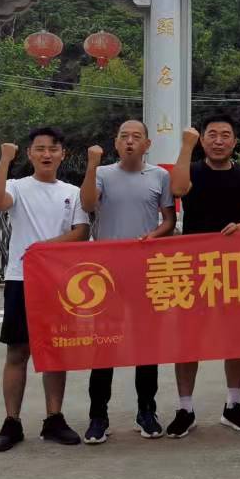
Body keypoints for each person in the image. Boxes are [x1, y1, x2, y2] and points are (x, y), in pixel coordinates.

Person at [0, 128, 90, 452]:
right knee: (17, 351)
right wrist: (5, 159)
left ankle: (54, 418)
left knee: (55, 350)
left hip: (59, 281)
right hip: (21, 279)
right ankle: (11, 422)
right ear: (29, 153)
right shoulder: (17, 187)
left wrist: (45, 248)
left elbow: (81, 232)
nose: (46, 154)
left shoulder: (72, 192)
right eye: (40, 149)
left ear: (62, 154)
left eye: (53, 149)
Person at [79, 119, 176, 443]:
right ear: (116, 143)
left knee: (147, 346)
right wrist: (91, 164)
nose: (130, 141)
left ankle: (146, 411)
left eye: (137, 137)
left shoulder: (160, 176)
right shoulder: (102, 173)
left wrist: (154, 235)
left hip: (146, 273)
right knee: (104, 346)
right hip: (106, 274)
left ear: (147, 144)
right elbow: (88, 205)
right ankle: (98, 415)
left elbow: (169, 220)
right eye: (124, 136)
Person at [165, 116, 240, 437]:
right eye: (212, 135)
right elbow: (178, 189)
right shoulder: (190, 170)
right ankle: (185, 408)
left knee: (236, 338)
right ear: (203, 140)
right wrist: (186, 146)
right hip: (192, 269)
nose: (218, 141)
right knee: (188, 340)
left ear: (234, 141)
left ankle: (233, 406)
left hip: (235, 269)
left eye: (225, 135)